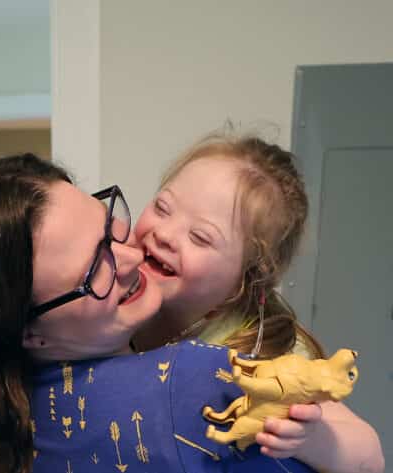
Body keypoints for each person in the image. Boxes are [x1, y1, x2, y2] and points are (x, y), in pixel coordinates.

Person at [0, 154, 316, 473]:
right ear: (29, 332)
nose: (134, 255)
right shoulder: (191, 384)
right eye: (94, 269)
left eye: (109, 226)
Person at [130, 132, 384, 472]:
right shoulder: (112, 299)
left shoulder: (263, 351)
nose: (163, 234)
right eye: (162, 208)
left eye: (200, 237)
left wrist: (310, 438)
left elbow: (370, 458)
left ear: (248, 276)